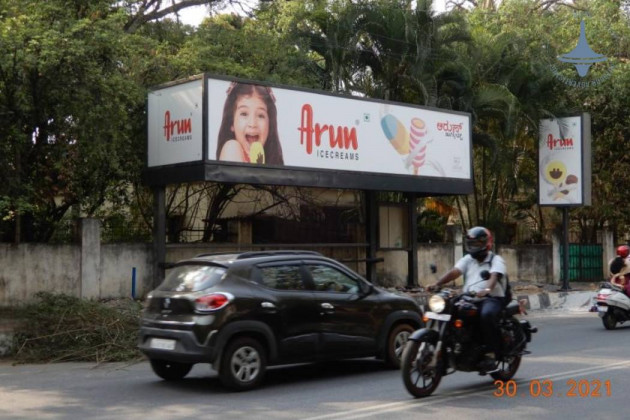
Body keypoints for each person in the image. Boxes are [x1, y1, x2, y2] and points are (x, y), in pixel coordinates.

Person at [428, 226, 507, 372]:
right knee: (448, 311)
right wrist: (437, 283)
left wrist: (487, 289)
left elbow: (495, 276)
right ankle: (447, 351)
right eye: (471, 244)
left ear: (486, 243)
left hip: (492, 298)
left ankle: (490, 353)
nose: (473, 247)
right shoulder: (468, 259)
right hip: (470, 297)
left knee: (486, 315)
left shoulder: (496, 260)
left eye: (476, 244)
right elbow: (455, 272)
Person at [216, 82, 284, 165]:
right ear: (231, 123)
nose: (252, 124)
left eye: (260, 115)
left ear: (269, 124)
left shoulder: (269, 161)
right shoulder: (232, 147)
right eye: (244, 114)